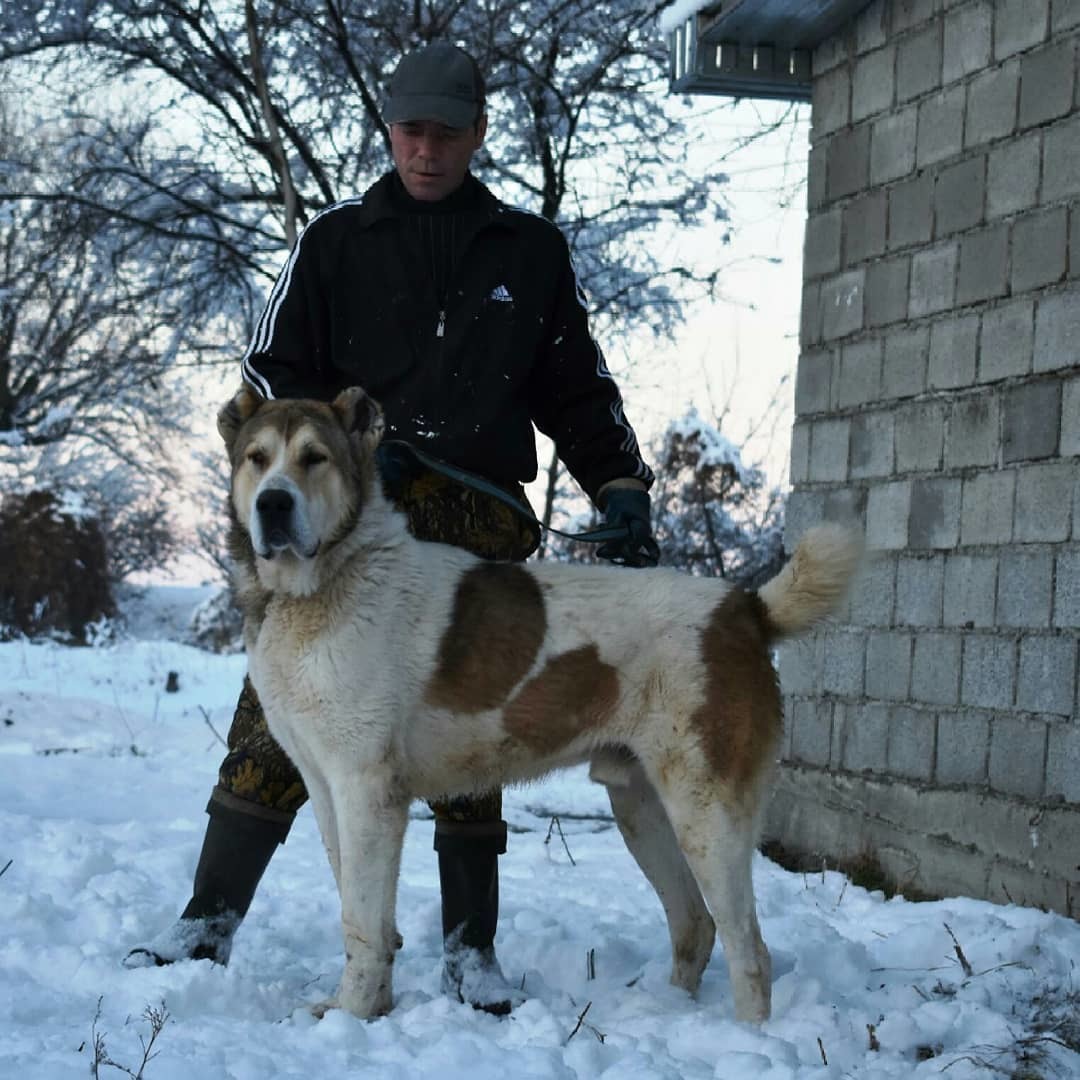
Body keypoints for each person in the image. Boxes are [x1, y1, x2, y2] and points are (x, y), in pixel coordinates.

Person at [125, 41, 659, 1015]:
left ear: (476, 134)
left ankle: (468, 949)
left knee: (472, 725)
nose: (426, 149)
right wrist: (346, 449)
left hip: (478, 514)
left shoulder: (528, 251)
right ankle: (207, 919)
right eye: (411, 130)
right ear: (389, 131)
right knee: (277, 715)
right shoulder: (337, 242)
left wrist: (619, 480)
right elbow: (274, 381)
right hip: (346, 515)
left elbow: (574, 384)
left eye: (446, 132)